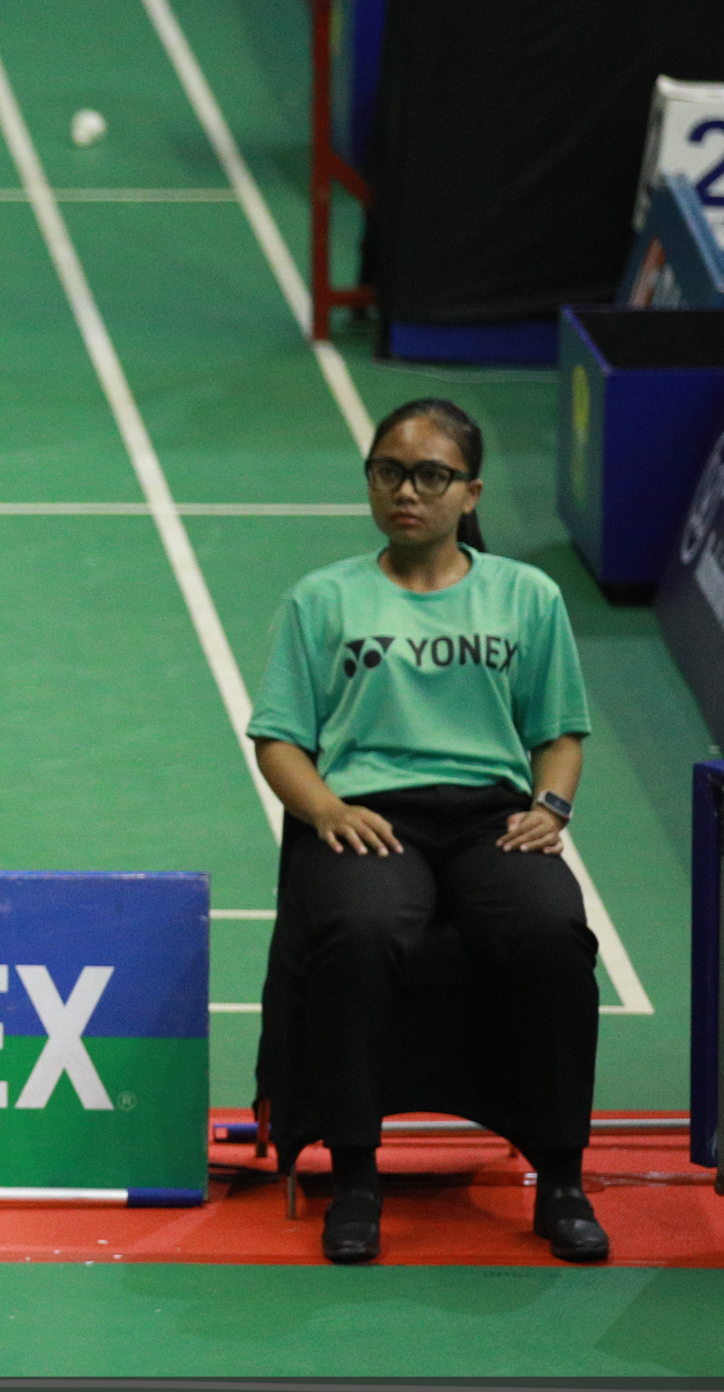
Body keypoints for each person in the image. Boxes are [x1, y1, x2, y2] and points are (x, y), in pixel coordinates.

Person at [247, 399, 605, 1268]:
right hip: (370, 815)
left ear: (470, 491)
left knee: (553, 933)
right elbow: (280, 740)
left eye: (431, 476)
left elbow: (560, 730)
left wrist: (551, 808)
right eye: (389, 472)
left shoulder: (526, 595)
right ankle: (355, 1177)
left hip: (489, 817)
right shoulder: (322, 599)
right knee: (360, 930)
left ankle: (562, 1178)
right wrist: (325, 810)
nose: (407, 491)